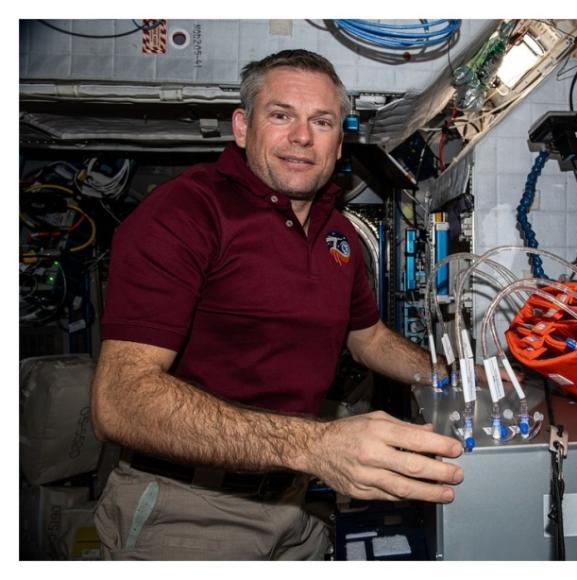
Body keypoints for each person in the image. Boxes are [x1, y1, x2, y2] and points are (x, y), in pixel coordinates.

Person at [90, 49, 465, 561]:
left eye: (322, 121)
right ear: (243, 127)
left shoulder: (338, 234)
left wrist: (446, 376)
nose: (302, 137)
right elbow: (120, 400)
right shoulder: (187, 212)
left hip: (292, 507)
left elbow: (368, 336)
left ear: (339, 142)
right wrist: (314, 446)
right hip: (188, 510)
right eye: (282, 115)